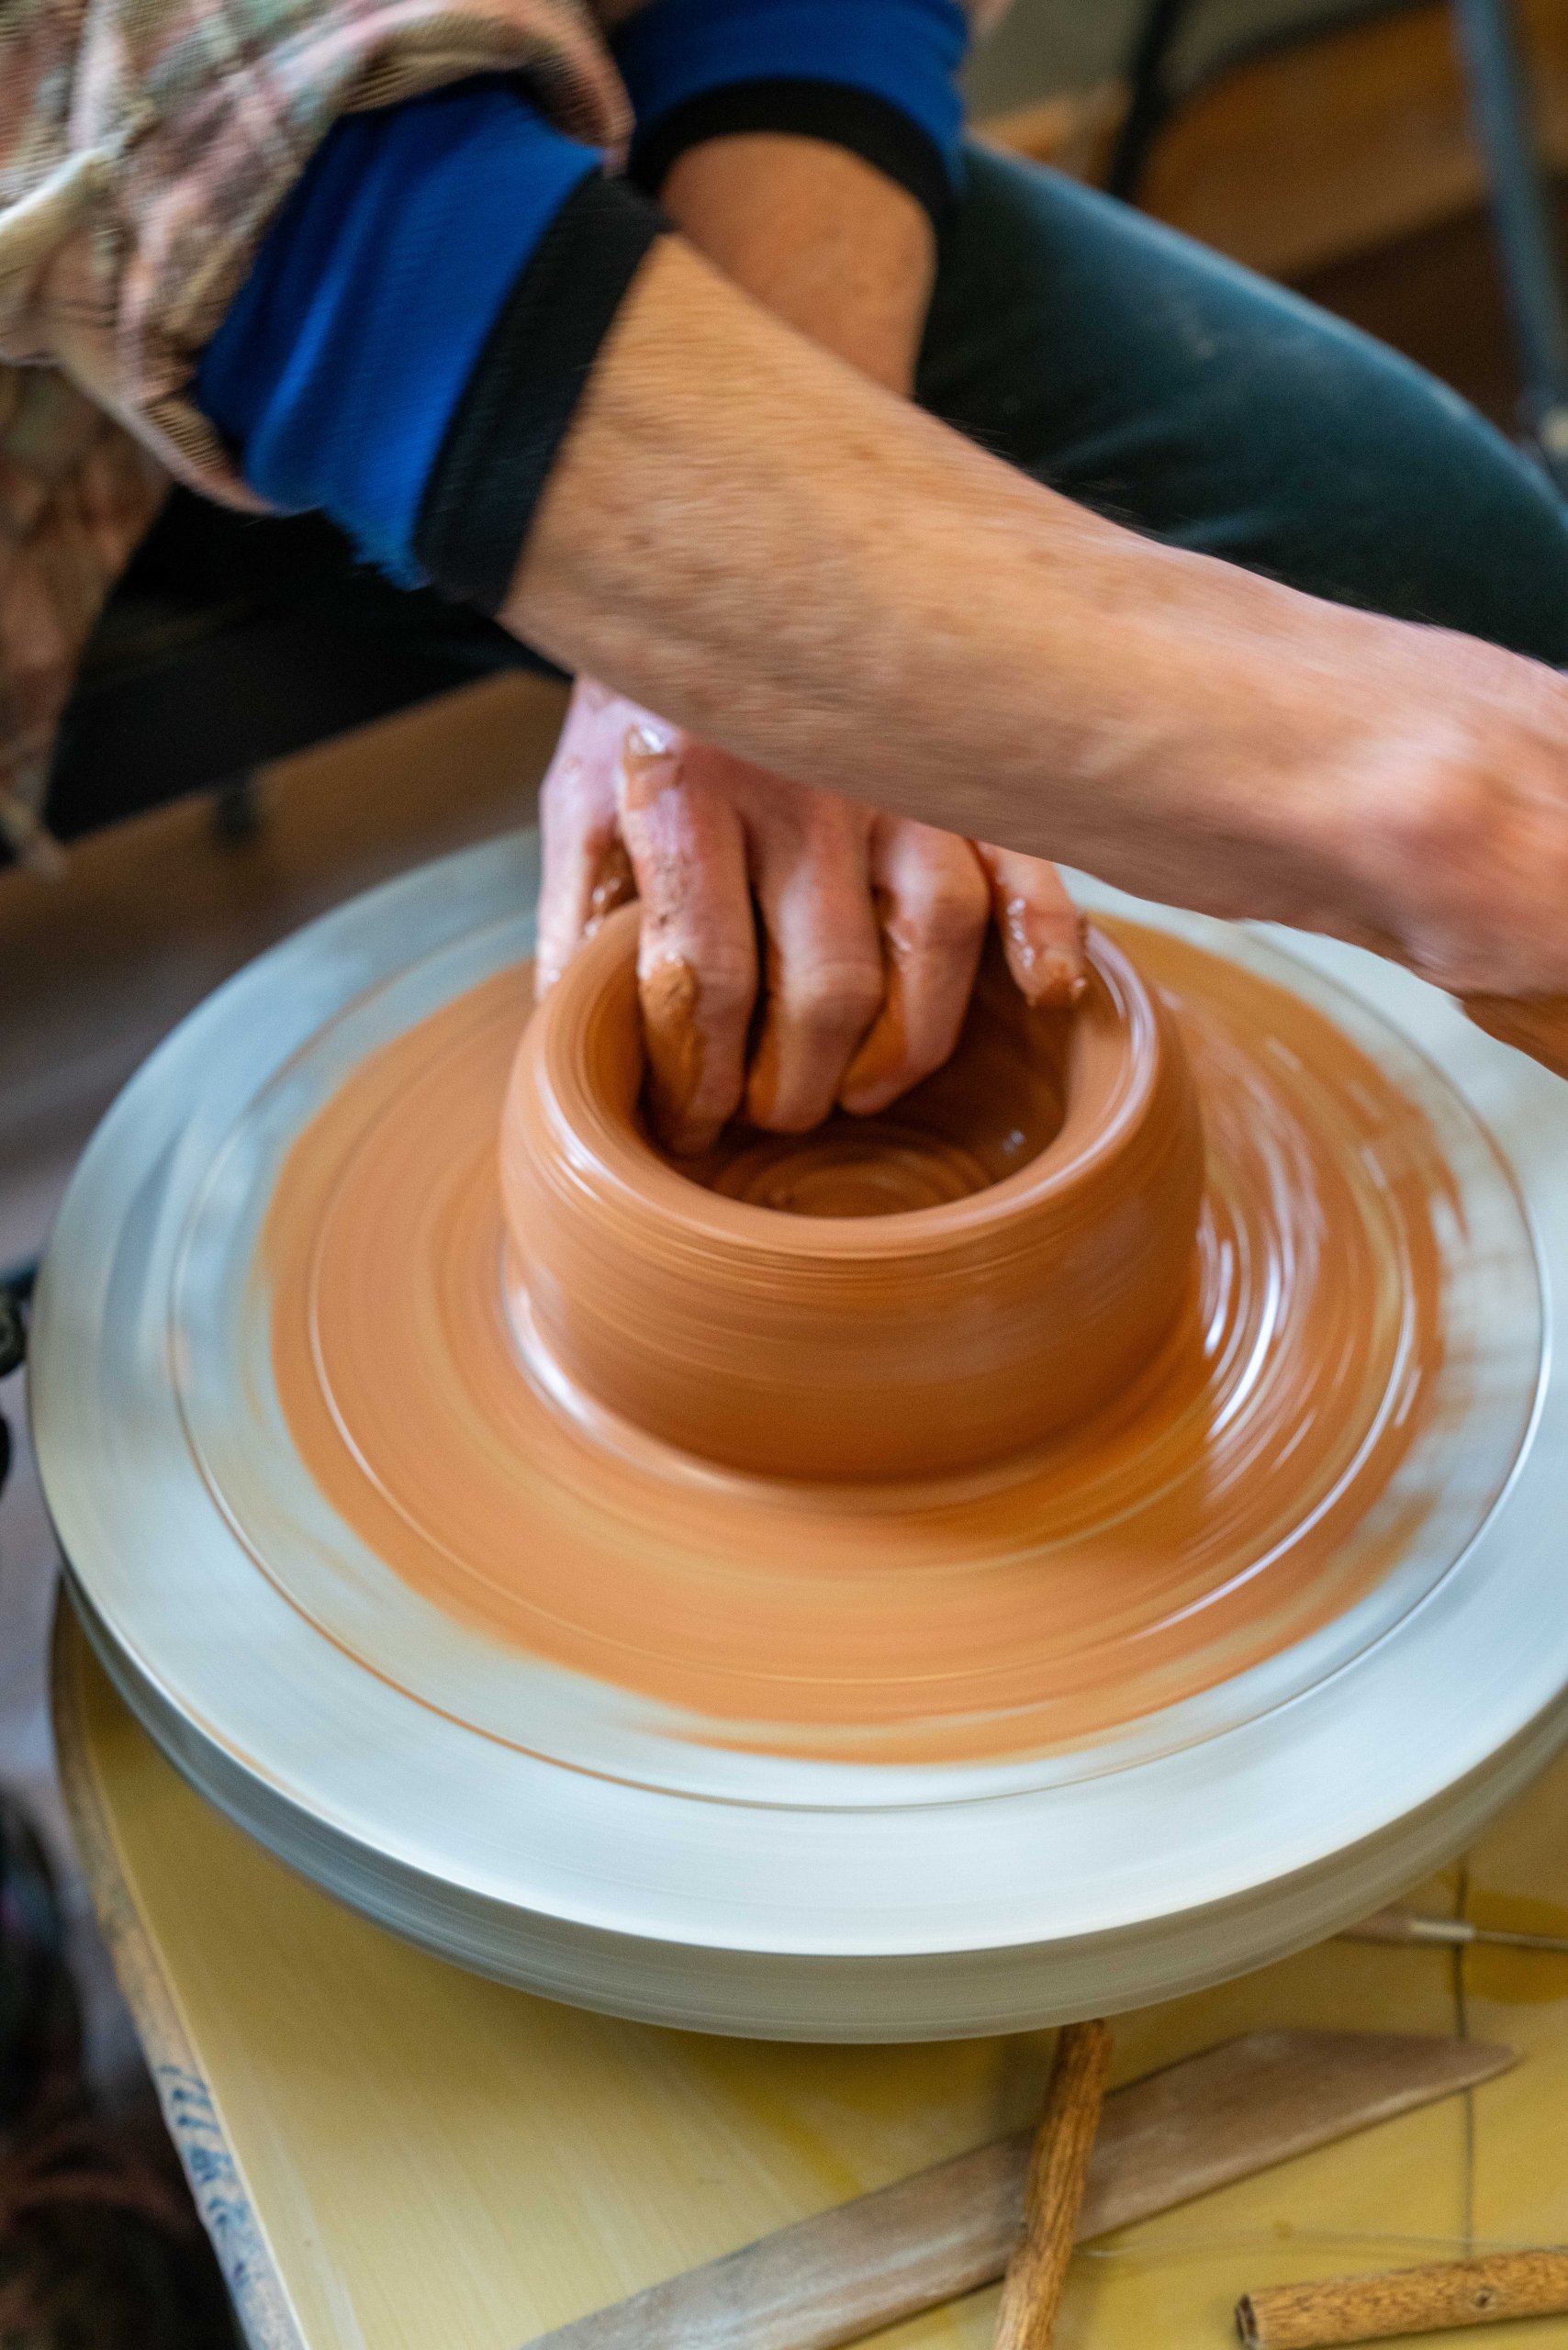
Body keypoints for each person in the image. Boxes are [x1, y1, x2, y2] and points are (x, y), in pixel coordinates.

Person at [8, 0, 1568, 1158]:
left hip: (524, 146)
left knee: (1446, 565)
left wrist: (770, 662)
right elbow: (249, 188)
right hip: (216, 223)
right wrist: (1405, 792)